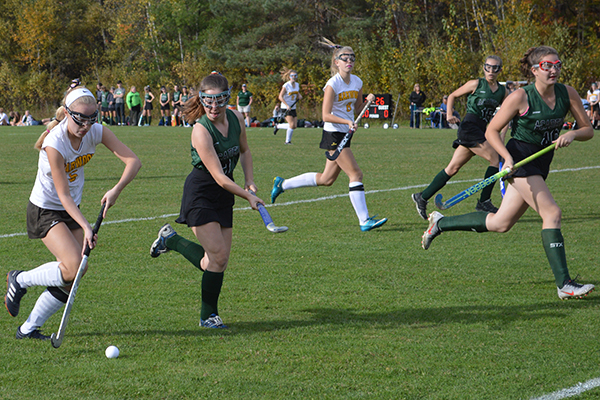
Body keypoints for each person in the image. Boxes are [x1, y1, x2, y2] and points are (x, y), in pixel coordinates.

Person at [421, 46, 595, 300]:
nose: (554, 69)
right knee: (552, 213)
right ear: (535, 70)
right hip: (520, 160)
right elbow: (492, 130)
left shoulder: (567, 93)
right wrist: (506, 158)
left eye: (557, 64)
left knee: (501, 223)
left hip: (541, 161)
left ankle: (440, 223)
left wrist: (572, 134)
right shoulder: (520, 97)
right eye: (547, 65)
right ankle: (564, 284)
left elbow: (588, 129)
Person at [3, 85, 141, 340]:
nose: (86, 125)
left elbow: (134, 161)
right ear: (67, 113)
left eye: (92, 118)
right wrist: (87, 226)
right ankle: (19, 279)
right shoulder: (54, 143)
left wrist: (116, 189)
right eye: (80, 118)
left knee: (74, 274)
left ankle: (28, 329)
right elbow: (62, 195)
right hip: (45, 209)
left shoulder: (96, 132)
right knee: (73, 265)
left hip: (70, 209)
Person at [149, 72, 262, 329]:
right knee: (219, 256)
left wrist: (249, 180)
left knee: (216, 261)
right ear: (201, 99)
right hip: (202, 192)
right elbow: (219, 177)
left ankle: (171, 240)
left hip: (226, 193)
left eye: (220, 101)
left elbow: (244, 151)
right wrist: (248, 196)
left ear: (227, 98)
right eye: (208, 101)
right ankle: (208, 316)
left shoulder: (237, 118)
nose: (214, 107)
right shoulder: (201, 130)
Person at [270, 38, 387, 232]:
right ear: (337, 62)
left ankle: (283, 184)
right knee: (356, 174)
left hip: (346, 132)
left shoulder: (357, 82)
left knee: (327, 179)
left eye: (352, 58)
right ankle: (364, 220)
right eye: (345, 58)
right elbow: (325, 115)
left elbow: (357, 107)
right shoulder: (333, 84)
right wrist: (346, 122)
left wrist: (367, 101)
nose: (349, 61)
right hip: (333, 133)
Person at [412, 55, 508, 218]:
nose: (491, 71)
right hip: (469, 127)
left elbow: (507, 114)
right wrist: (449, 114)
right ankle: (484, 202)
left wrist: (501, 137)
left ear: (500, 70)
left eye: (495, 68)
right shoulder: (476, 83)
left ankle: (422, 197)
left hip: (481, 130)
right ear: (483, 67)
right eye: (488, 67)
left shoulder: (502, 91)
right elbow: (452, 96)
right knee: (494, 159)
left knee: (452, 168)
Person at [273, 69, 302, 144]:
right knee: (291, 125)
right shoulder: (286, 85)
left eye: (295, 76)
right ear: (289, 77)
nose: (294, 77)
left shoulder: (297, 85)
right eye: (292, 76)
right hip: (285, 107)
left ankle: (278, 126)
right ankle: (287, 141)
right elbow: (280, 97)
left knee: (294, 126)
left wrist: (299, 95)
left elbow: (297, 93)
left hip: (293, 107)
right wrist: (287, 105)